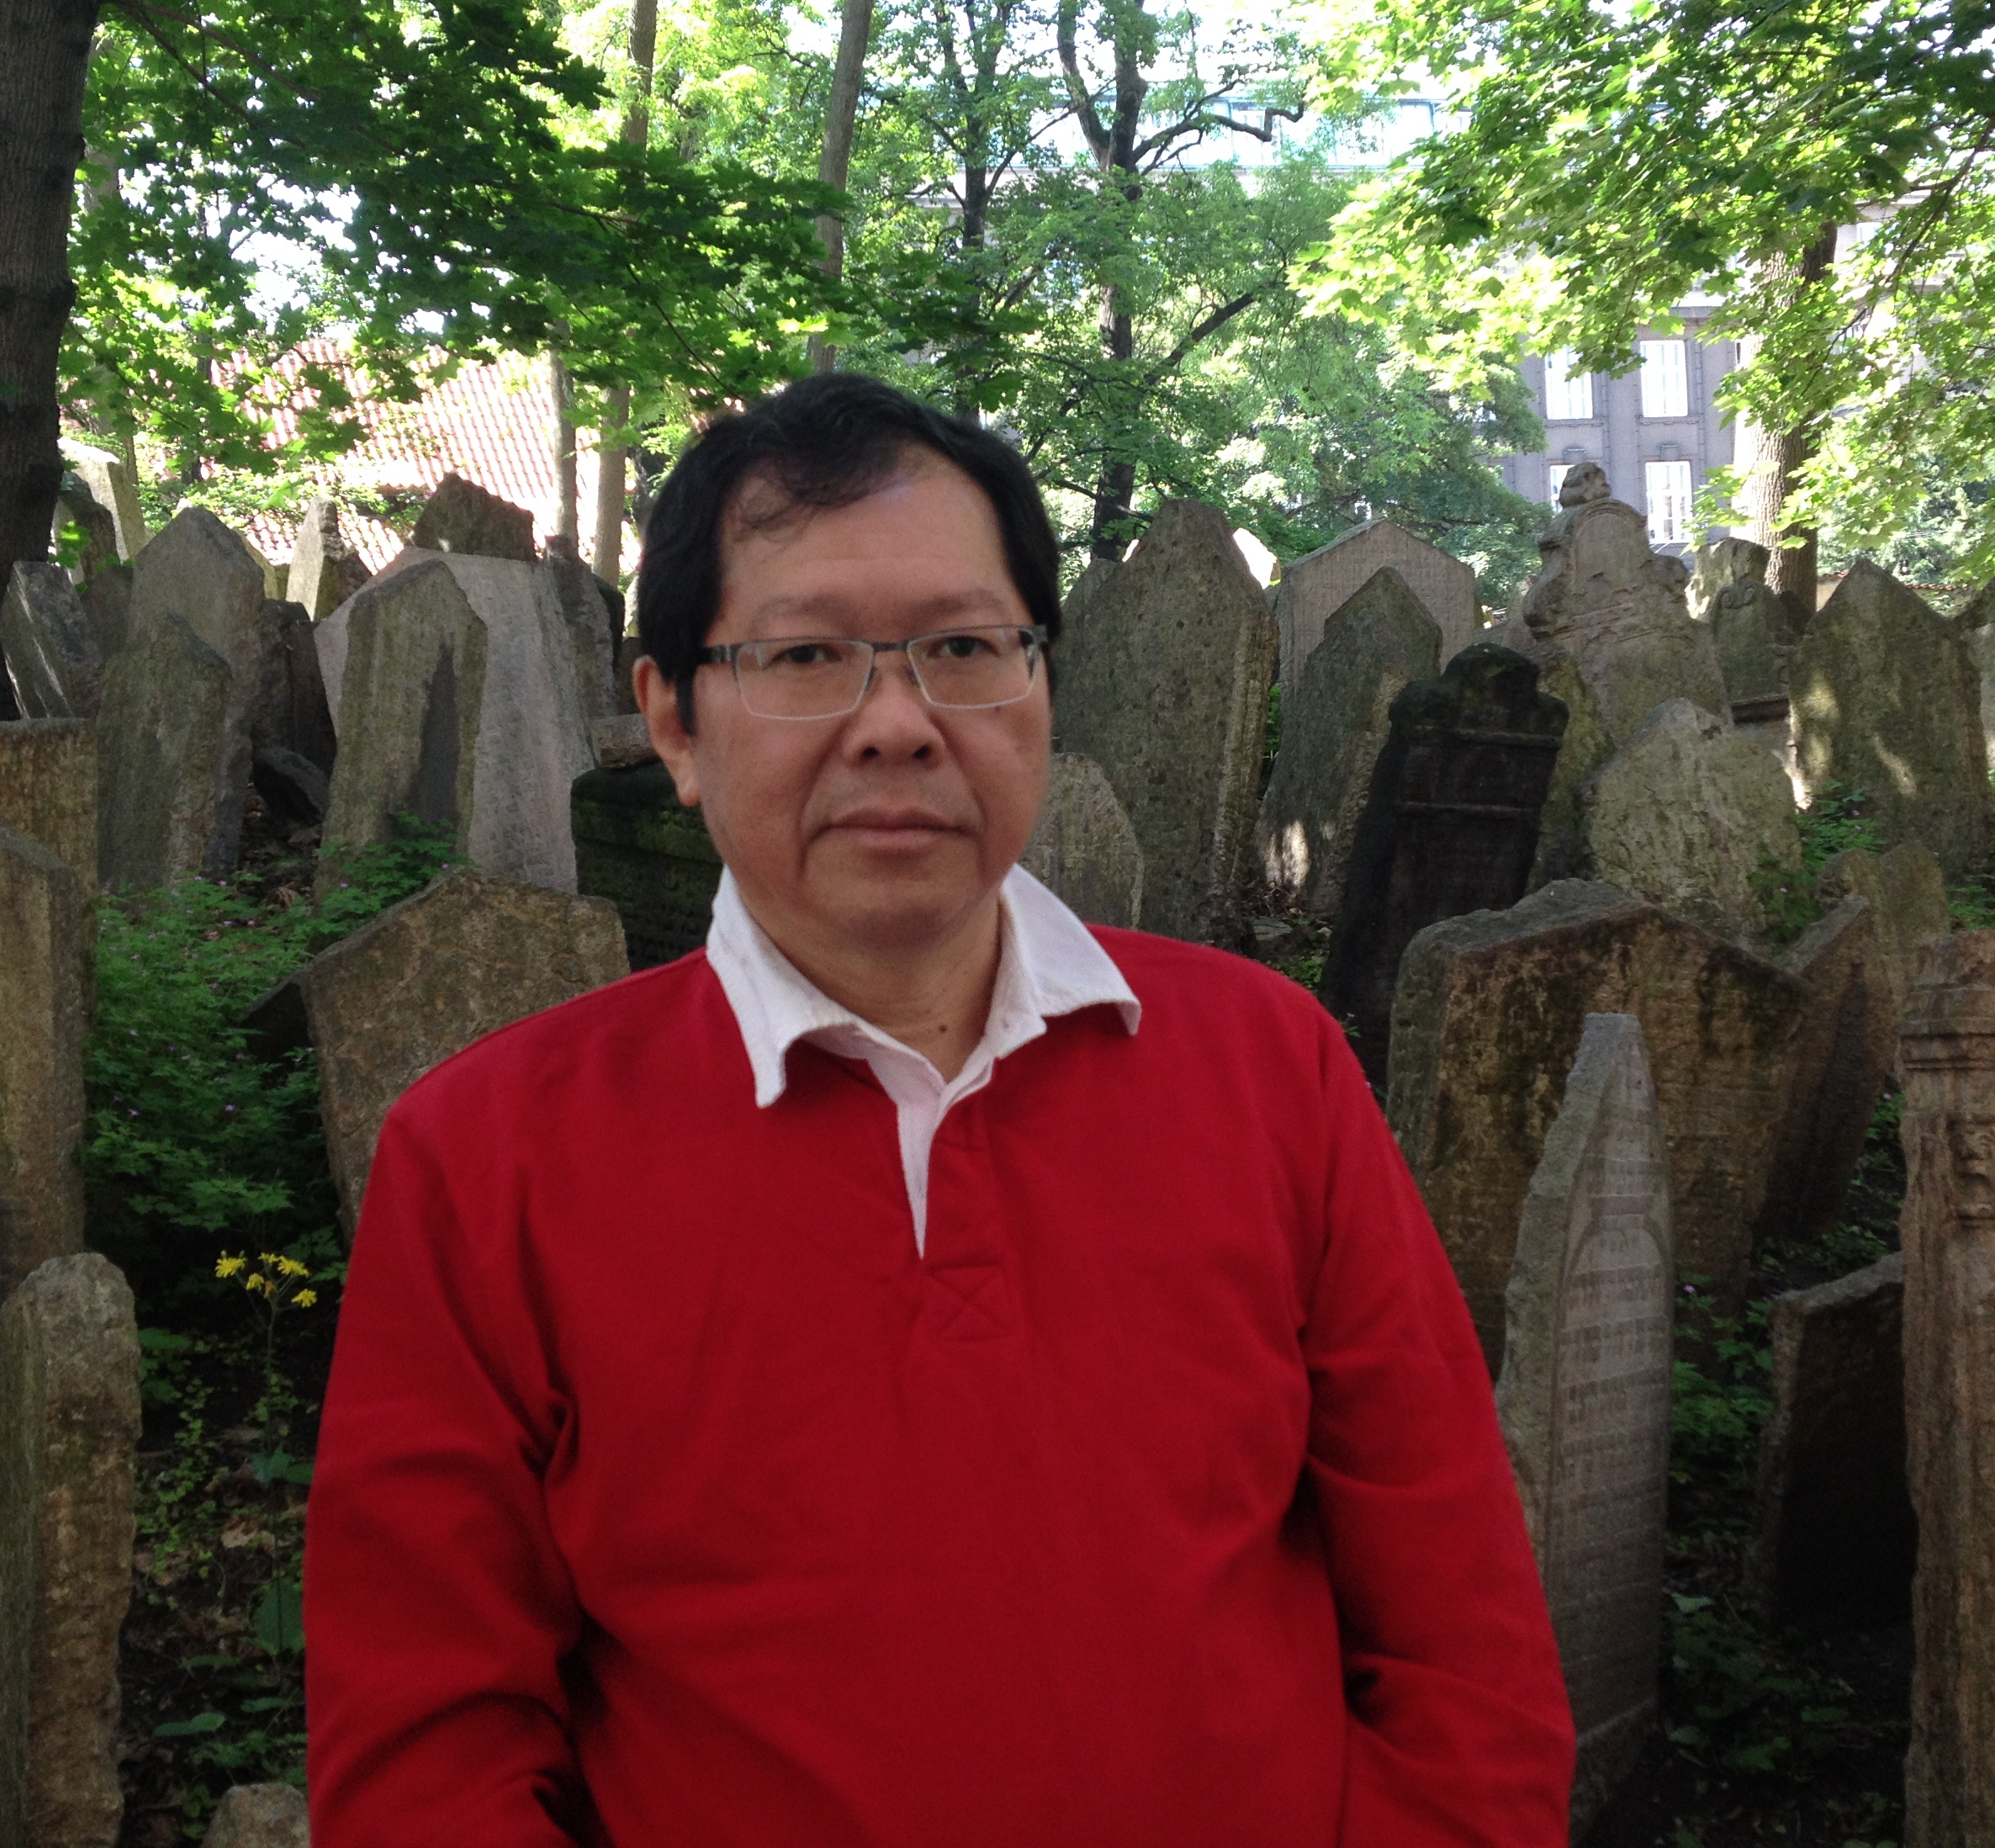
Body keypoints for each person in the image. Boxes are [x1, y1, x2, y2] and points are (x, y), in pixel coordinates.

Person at [304, 373, 1574, 1846]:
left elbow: (1460, 1637)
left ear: (1041, 685)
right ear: (675, 724)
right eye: (805, 655)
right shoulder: (489, 1158)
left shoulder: (1268, 1066)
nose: (897, 725)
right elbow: (426, 1751)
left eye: (965, 648)